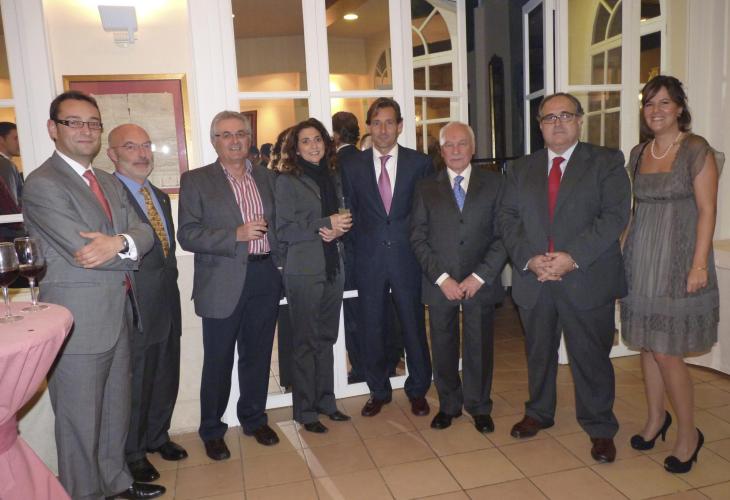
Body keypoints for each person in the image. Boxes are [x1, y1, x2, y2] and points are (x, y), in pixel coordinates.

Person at [22, 91, 161, 499]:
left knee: (115, 412)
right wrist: (127, 245)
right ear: (53, 128)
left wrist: (119, 241)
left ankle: (116, 484)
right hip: (78, 322)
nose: (86, 130)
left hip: (118, 314)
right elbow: (83, 252)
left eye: (93, 123)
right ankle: (85, 493)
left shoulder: (106, 180)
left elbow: (144, 231)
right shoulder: (43, 183)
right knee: (80, 422)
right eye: (74, 122)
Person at [498, 92, 631, 464]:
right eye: (549, 118)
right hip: (535, 279)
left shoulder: (606, 162)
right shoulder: (520, 168)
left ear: (579, 120)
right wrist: (530, 259)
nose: (557, 123)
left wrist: (573, 258)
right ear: (539, 126)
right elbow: (507, 219)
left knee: (591, 357)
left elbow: (614, 216)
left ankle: (600, 426)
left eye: (565, 115)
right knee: (538, 353)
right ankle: (539, 412)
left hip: (585, 278)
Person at [620, 75, 722, 474]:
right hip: (641, 259)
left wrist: (699, 264)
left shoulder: (697, 150)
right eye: (649, 104)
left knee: (666, 350)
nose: (656, 110)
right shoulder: (638, 152)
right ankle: (655, 419)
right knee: (647, 346)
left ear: (679, 107)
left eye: (664, 102)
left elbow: (708, 211)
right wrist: (620, 254)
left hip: (679, 261)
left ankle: (688, 434)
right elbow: (634, 211)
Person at [178, 111, 282, 460]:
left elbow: (281, 225)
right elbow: (187, 234)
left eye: (240, 133)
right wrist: (234, 234)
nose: (234, 140)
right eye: (225, 134)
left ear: (249, 138)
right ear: (214, 141)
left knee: (258, 355)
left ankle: (254, 419)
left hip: (264, 275)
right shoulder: (196, 180)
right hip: (221, 281)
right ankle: (211, 429)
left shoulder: (267, 177)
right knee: (218, 360)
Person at [411, 121, 507, 433]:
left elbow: (503, 235)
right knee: (442, 345)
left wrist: (480, 276)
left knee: (480, 345)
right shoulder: (426, 187)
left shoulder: (495, 184)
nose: (455, 150)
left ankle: (479, 406)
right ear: (441, 151)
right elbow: (417, 238)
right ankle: (449, 405)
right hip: (440, 284)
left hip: (481, 282)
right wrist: (442, 278)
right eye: (449, 145)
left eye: (462, 143)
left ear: (473, 148)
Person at [341, 97, 434, 417]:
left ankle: (418, 389)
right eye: (377, 123)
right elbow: (350, 213)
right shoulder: (352, 165)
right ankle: (378, 390)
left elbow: (427, 215)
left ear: (400, 126)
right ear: (369, 126)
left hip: (408, 259)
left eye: (389, 122)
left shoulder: (419, 163)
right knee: (372, 328)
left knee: (413, 327)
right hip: (368, 261)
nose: (383, 130)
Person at [109, 124, 188, 483]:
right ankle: (134, 452)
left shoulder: (159, 195)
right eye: (131, 147)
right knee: (137, 380)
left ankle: (158, 436)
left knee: (166, 372)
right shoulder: (108, 196)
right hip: (135, 304)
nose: (142, 154)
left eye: (146, 146)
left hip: (167, 300)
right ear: (112, 154)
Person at [275, 118, 352, 432]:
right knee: (305, 341)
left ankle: (326, 402)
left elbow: (342, 217)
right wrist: (325, 223)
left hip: (333, 266)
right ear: (296, 148)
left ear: (326, 142)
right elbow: (284, 230)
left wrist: (340, 229)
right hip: (304, 270)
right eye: (305, 141)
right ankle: (305, 411)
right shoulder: (287, 181)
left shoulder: (333, 176)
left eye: (317, 139)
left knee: (326, 338)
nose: (313, 146)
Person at [331, 111, 365, 383]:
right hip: (370, 245)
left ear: (335, 135)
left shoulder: (335, 164)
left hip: (346, 245)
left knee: (353, 312)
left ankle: (360, 367)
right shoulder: (367, 160)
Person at [0, 121, 24, 241]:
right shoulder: (5, 164)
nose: (20, 142)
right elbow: (11, 206)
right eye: (15, 138)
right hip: (10, 235)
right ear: (1, 140)